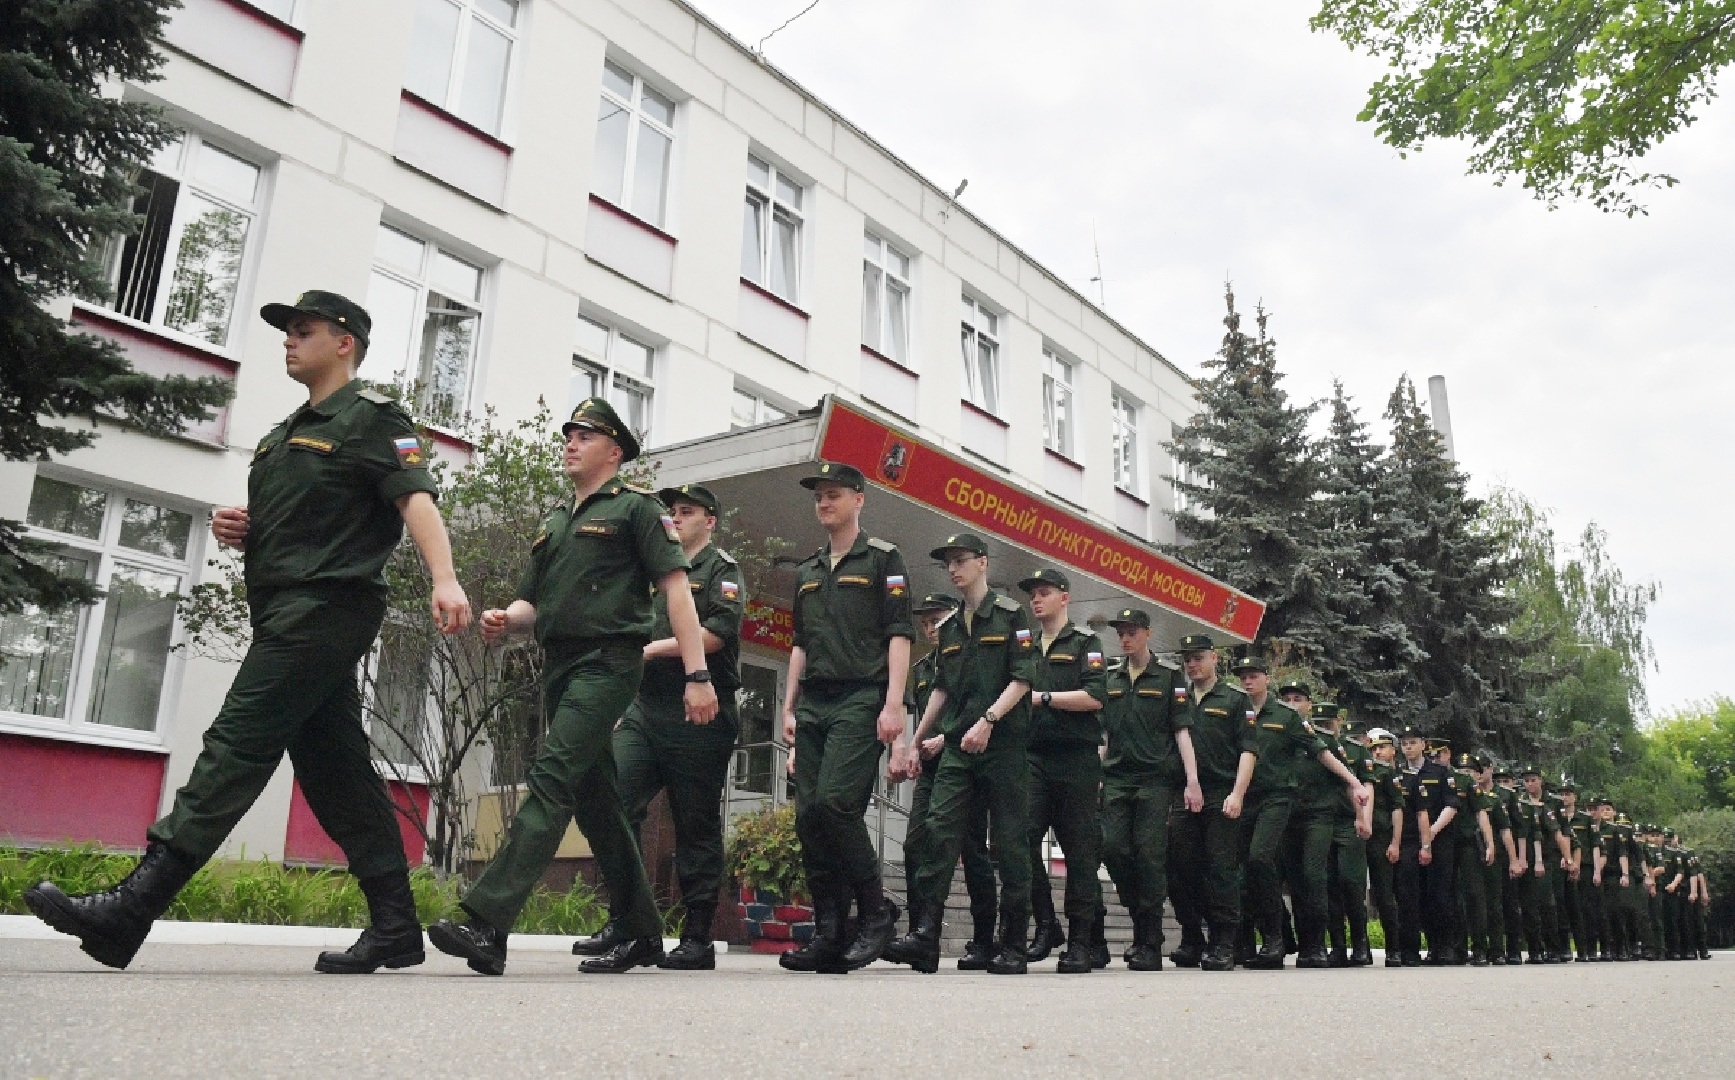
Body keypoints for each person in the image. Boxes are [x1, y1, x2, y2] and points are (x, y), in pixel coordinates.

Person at [26, 292, 471, 973]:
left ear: (344, 342)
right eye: (287, 332)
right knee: (335, 773)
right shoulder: (281, 434)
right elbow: (307, 523)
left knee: (237, 743)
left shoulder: (372, 420)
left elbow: (415, 496)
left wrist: (444, 577)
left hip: (326, 609)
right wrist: (244, 531)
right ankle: (395, 927)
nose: (288, 342)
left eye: (303, 330)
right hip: (286, 609)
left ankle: (130, 910)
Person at [428, 397, 716, 976]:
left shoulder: (637, 510)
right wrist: (506, 621)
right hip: (558, 666)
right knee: (599, 801)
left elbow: (677, 591)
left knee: (553, 778)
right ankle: (640, 931)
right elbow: (532, 603)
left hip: (608, 664)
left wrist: (697, 675)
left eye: (585, 435)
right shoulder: (555, 522)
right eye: (568, 434)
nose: (571, 441)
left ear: (614, 451)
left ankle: (487, 922)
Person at [567, 484, 743, 970]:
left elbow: (716, 635)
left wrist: (654, 649)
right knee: (612, 799)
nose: (676, 518)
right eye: (672, 511)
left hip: (700, 706)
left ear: (709, 521)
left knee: (695, 823)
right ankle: (630, 920)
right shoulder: (654, 571)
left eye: (687, 512)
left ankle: (698, 935)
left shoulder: (721, 571)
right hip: (646, 705)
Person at [772, 462, 913, 974]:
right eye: (819, 497)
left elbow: (900, 633)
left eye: (834, 494)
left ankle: (875, 914)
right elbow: (799, 644)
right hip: (813, 702)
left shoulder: (882, 559)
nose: (824, 503)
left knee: (835, 804)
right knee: (809, 818)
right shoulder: (808, 570)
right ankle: (829, 932)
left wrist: (893, 703)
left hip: (861, 697)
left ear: (859, 500)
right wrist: (788, 708)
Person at [886, 532, 1035, 974]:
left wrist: (989, 721)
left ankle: (1011, 944)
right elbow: (942, 689)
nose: (953, 569)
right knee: (937, 833)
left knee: (1009, 845)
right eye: (947, 562)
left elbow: (1023, 678)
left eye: (960, 560)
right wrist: (916, 741)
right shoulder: (949, 628)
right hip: (957, 749)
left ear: (983, 563)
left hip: (1003, 746)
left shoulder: (1010, 615)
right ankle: (925, 937)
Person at [1230, 658, 1366, 970]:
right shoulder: (1238, 712)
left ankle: (1313, 944)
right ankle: (1278, 936)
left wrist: (1354, 783)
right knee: (1261, 869)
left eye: (1253, 676)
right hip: (1265, 808)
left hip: (1311, 814)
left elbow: (1322, 752)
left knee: (1311, 876)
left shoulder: (1287, 719)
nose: (1247, 682)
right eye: (1243, 677)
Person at [895, 593, 1001, 970]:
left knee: (973, 852)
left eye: (937, 620)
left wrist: (948, 738)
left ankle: (985, 939)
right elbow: (917, 711)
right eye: (926, 622)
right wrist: (910, 748)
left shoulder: (970, 661)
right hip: (932, 769)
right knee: (916, 845)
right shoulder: (924, 668)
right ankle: (920, 932)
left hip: (965, 761)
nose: (931, 628)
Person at [1098, 608, 1202, 972]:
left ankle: (1150, 940)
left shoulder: (1169, 677)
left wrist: (1192, 780)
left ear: (1147, 634)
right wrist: (1098, 770)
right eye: (1120, 633)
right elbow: (1105, 733)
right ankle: (1139, 918)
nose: (1124, 639)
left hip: (1155, 780)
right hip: (1116, 778)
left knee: (1150, 856)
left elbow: (1182, 731)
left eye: (1131, 633)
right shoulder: (1111, 679)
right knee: (1114, 849)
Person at [1017, 568, 1108, 974]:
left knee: (1079, 853)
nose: (1036, 600)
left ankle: (1081, 941)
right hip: (1033, 756)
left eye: (1044, 593)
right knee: (1018, 841)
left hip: (1076, 760)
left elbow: (1095, 697)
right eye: (1032, 594)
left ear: (1064, 598)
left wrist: (1045, 697)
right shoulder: (1025, 645)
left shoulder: (1086, 643)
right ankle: (1046, 924)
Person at [1165, 635, 1255, 972]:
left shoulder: (1234, 700)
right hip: (1182, 795)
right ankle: (1192, 936)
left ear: (1214, 659)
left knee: (1221, 871)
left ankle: (1223, 942)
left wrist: (1237, 794)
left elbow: (1248, 750)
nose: (1192, 664)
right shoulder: (1176, 698)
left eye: (1198, 657)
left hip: (1221, 793)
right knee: (1180, 869)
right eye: (1187, 659)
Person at [1303, 701, 1374, 967]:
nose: (1324, 727)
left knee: (1351, 883)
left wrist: (1362, 818)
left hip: (1347, 822)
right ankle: (1338, 946)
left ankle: (1360, 944)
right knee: (1328, 885)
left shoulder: (1351, 750)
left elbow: (1357, 786)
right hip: (1322, 822)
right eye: (1319, 723)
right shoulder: (1308, 744)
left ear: (1338, 723)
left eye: (1328, 722)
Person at [1393, 728, 1460, 967]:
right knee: (1409, 896)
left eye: (1413, 743)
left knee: (1439, 895)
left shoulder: (1441, 772)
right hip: (1409, 841)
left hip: (1440, 840)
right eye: (1404, 744)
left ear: (1424, 745)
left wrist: (1430, 833)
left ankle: (1441, 947)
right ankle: (1410, 950)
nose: (1408, 747)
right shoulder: (1397, 774)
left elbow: (1451, 805)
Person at [1362, 729, 1406, 967]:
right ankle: (1361, 949)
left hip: (1382, 838)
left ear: (1392, 750)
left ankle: (1394, 949)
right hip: (1359, 838)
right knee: (1355, 893)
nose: (1377, 752)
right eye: (1374, 748)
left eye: (1381, 748)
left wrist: (1395, 842)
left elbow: (1396, 809)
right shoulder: (1361, 768)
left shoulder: (1387, 774)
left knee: (1384, 895)